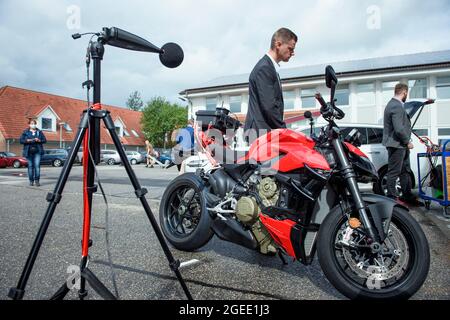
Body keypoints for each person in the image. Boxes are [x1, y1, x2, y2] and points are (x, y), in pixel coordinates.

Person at [244, 28, 297, 143]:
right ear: (278, 44)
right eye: (290, 49)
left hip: (264, 131)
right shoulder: (265, 68)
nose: (293, 53)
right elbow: (269, 107)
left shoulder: (269, 67)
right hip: (260, 133)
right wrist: (285, 132)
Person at [382, 83, 422, 206]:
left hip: (399, 145)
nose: (406, 96)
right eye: (407, 93)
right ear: (404, 92)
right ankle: (392, 199)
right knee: (393, 172)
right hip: (397, 145)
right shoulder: (396, 106)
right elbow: (399, 128)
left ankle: (407, 196)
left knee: (405, 171)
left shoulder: (394, 104)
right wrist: (407, 141)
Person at [20, 119, 47, 186]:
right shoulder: (25, 132)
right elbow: (21, 141)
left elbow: (44, 140)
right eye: (31, 123)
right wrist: (27, 140)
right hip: (28, 152)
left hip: (37, 151)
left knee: (37, 166)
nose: (33, 125)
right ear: (29, 124)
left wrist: (39, 140)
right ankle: (31, 181)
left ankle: (37, 181)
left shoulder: (39, 132)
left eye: (34, 123)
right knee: (30, 166)